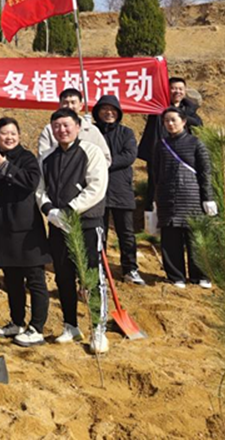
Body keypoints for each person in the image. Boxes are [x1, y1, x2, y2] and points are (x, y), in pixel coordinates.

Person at [35, 108, 109, 354]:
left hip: (87, 223)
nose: (62, 130)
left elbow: (96, 187)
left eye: (66, 125)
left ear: (77, 126)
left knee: (91, 277)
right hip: (58, 225)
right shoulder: (47, 157)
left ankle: (98, 328)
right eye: (56, 126)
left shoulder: (91, 152)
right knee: (63, 276)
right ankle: (70, 325)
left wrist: (68, 210)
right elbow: (40, 189)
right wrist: (49, 210)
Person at [0, 118, 48, 347]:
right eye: (4, 133)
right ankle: (17, 322)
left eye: (13, 133)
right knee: (12, 280)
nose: (9, 137)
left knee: (35, 279)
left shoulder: (27, 158)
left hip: (26, 230)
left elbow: (31, 182)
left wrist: (6, 168)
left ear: (19, 136)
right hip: (2, 229)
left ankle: (37, 328)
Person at [145, 107, 215, 289]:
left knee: (196, 240)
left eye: (173, 120)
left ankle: (201, 275)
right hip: (168, 199)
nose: (170, 124)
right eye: (166, 121)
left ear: (183, 122)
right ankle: (176, 276)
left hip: (193, 197)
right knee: (171, 240)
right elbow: (156, 174)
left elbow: (205, 172)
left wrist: (208, 198)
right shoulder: (160, 145)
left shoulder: (196, 143)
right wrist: (155, 198)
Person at [92, 95, 144, 285]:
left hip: (121, 188)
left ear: (119, 113)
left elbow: (129, 155)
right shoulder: (91, 131)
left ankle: (130, 268)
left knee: (126, 233)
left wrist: (102, 163)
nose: (108, 113)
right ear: (97, 112)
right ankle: (99, 269)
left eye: (113, 109)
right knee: (99, 232)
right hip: (97, 189)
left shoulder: (126, 132)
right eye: (104, 109)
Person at [137, 76, 204, 168]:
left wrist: (180, 116)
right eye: (173, 88)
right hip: (159, 154)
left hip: (183, 154)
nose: (177, 91)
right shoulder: (158, 107)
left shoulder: (189, 108)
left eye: (180, 89)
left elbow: (199, 125)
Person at [37, 89, 112, 165]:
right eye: (65, 103)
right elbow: (43, 156)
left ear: (80, 105)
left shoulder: (91, 130)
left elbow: (105, 157)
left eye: (73, 103)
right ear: (60, 105)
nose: (69, 106)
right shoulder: (49, 130)